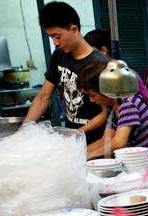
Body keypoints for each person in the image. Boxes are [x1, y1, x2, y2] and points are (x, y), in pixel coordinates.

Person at [23, 2, 108, 144]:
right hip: (71, 137)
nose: (55, 42)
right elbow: (44, 96)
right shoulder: (59, 55)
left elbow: (106, 113)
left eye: (57, 36)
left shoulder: (99, 64)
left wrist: (79, 132)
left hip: (94, 140)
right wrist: (25, 128)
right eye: (51, 37)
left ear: (74, 30)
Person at [77, 61, 148, 163]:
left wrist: (91, 155)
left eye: (92, 95)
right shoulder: (113, 108)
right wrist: (78, 153)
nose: (92, 100)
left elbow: (118, 142)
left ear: (104, 88)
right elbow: (105, 140)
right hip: (140, 165)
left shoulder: (128, 103)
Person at [84, 28, 148, 105]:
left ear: (103, 50)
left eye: (90, 53)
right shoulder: (97, 76)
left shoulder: (127, 75)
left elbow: (147, 99)